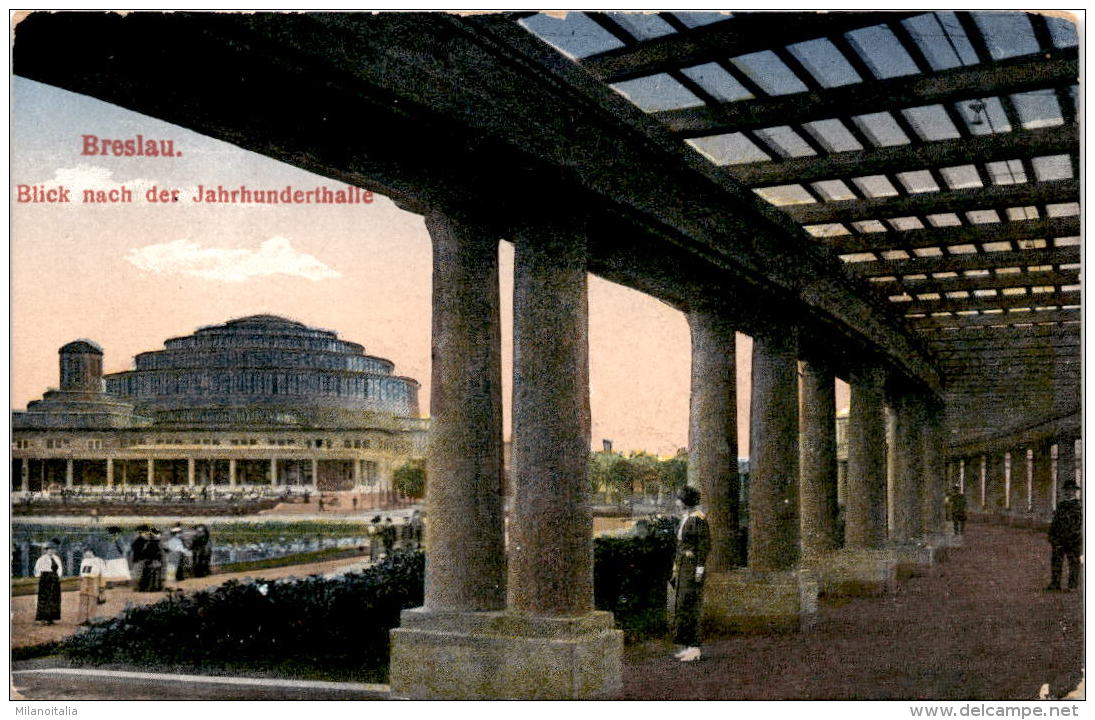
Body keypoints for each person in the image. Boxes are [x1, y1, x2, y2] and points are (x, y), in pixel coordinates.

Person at [668, 486, 710, 663]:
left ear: (686, 501)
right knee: (682, 605)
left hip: (692, 567)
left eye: (679, 499)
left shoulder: (698, 519)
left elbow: (704, 545)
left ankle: (694, 648)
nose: (677, 502)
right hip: (683, 566)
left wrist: (699, 568)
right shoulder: (686, 519)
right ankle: (687, 646)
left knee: (691, 605)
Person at [1047, 480, 1082, 592]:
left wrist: (1075, 535)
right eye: (1067, 490)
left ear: (1075, 492)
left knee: (1073, 562)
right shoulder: (1061, 505)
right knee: (1056, 561)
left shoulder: (1079, 506)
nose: (1069, 492)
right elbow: (1055, 521)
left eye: (1071, 490)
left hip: (1073, 538)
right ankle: (1055, 584)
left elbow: (1080, 523)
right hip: (1059, 538)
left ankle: (1072, 585)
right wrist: (1051, 535)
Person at [34, 544, 64, 625]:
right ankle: (43, 618)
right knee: (44, 598)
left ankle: (51, 618)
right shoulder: (41, 559)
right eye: (49, 549)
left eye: (52, 549)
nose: (51, 551)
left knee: (54, 598)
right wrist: (41, 577)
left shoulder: (56, 558)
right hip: (45, 579)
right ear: (46, 551)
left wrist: (58, 576)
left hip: (54, 580)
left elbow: (60, 568)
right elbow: (36, 570)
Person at [77, 549, 107, 624]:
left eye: (88, 552)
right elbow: (81, 573)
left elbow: (103, 573)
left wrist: (102, 585)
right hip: (84, 581)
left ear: (92, 552)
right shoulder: (84, 561)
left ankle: (91, 619)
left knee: (92, 600)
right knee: (83, 600)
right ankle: (82, 619)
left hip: (94, 581)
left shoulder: (99, 561)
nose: (87, 554)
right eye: (85, 553)